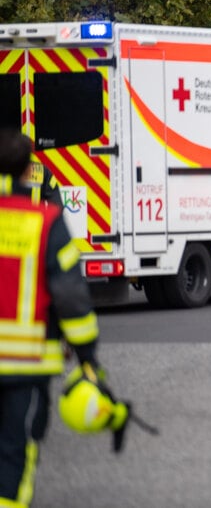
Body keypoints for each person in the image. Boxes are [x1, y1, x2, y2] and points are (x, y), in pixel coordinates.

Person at [0, 129, 103, 506]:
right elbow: (71, 297)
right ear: (27, 164)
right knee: (15, 452)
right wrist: (88, 355)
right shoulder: (45, 222)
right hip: (26, 362)